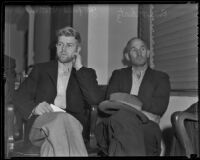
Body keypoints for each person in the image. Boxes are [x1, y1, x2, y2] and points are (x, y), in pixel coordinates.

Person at [13, 26, 105, 156]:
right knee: (60, 120)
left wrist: (79, 67)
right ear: (56, 46)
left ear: (78, 50)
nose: (63, 49)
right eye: (60, 44)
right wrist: (34, 108)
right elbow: (18, 96)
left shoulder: (86, 74)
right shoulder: (41, 70)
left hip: (72, 129)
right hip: (42, 126)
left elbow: (95, 99)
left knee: (51, 146)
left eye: (69, 45)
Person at [95, 37, 170, 156]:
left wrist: (125, 100)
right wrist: (143, 112)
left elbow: (159, 107)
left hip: (145, 126)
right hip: (119, 121)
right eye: (134, 50)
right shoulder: (118, 74)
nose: (139, 53)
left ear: (148, 53)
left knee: (124, 130)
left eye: (143, 49)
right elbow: (112, 100)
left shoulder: (161, 78)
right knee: (122, 120)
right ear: (127, 56)